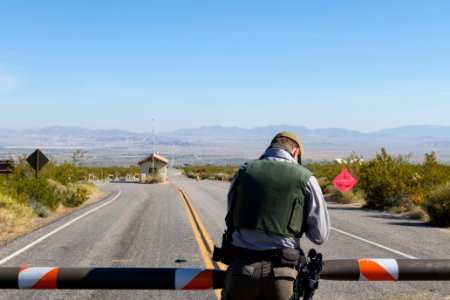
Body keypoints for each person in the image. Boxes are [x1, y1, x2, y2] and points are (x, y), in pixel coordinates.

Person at [220, 131, 330, 300]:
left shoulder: (243, 172)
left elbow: (232, 218)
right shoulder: (305, 177)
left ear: (270, 147)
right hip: (282, 275)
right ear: (296, 152)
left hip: (241, 271)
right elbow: (319, 236)